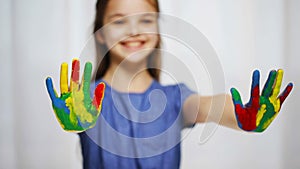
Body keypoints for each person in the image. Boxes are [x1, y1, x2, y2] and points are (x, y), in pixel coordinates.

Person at [45, 0, 294, 168]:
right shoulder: (84, 102)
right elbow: (79, 115)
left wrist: (243, 115)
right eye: (119, 21)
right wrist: (78, 121)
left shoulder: (175, 99)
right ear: (100, 33)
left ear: (157, 27)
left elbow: (209, 106)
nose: (133, 30)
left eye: (145, 20)